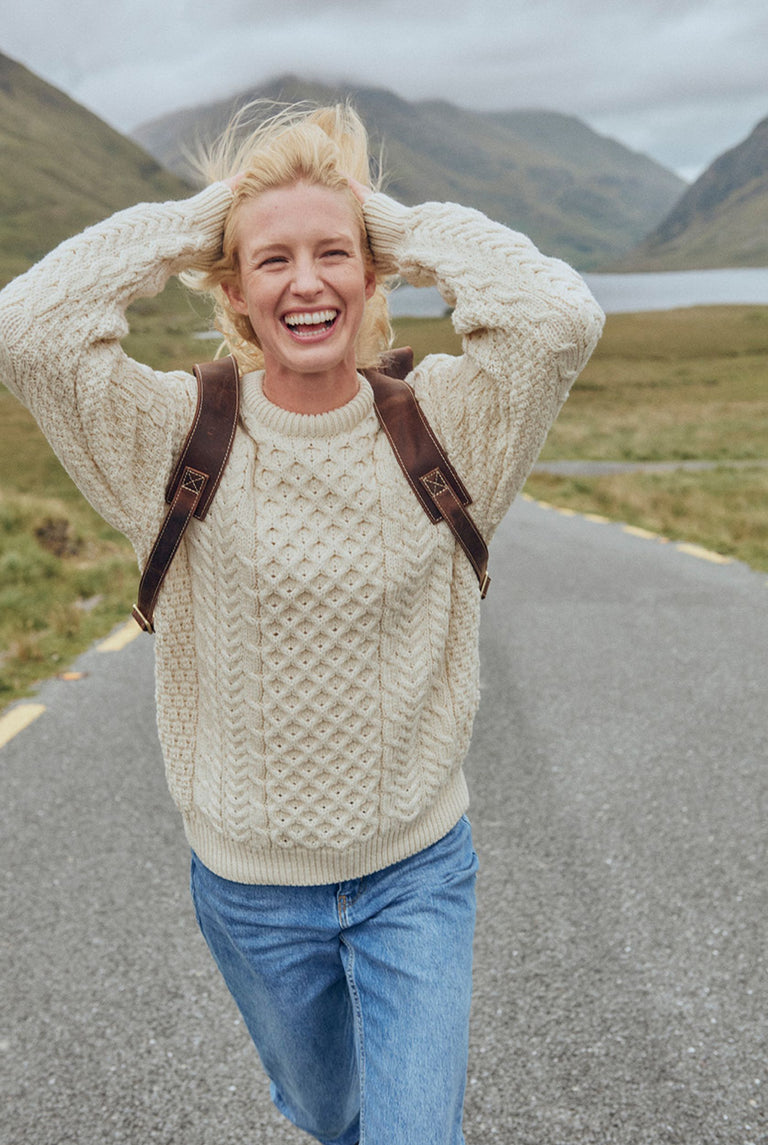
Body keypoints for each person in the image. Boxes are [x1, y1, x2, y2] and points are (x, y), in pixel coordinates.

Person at [0, 102, 604, 1144]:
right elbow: (29, 328)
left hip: (418, 869)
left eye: (336, 254)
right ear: (232, 289)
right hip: (250, 889)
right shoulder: (173, 434)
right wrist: (200, 220)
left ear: (372, 276)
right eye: (271, 261)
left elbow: (557, 320)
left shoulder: (452, 423)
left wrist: (396, 223)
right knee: (332, 1111)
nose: (308, 281)